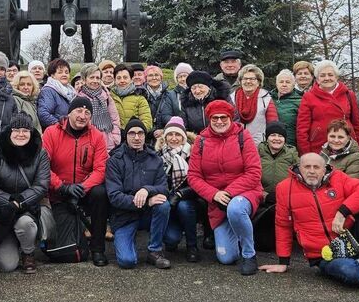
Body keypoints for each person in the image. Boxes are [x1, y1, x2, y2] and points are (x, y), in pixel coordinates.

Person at [262, 153, 359, 293]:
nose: (311, 171)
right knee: (352, 275)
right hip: (323, 253)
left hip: (350, 239)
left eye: (316, 167)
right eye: (307, 167)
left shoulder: (338, 177)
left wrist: (343, 212)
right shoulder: (284, 188)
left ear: (324, 169)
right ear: (299, 168)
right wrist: (283, 262)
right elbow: (283, 225)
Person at [187, 99, 263, 274]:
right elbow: (193, 176)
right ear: (209, 119)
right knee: (226, 258)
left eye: (223, 118)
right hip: (217, 201)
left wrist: (228, 192)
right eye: (215, 118)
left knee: (235, 208)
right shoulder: (201, 140)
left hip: (245, 193)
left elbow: (254, 172)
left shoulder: (243, 136)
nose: (219, 121)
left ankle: (249, 254)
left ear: (230, 118)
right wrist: (213, 194)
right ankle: (239, 230)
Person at [42, 95, 110, 266]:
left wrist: (81, 188)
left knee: (100, 193)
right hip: (58, 192)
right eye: (79, 111)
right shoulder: (51, 132)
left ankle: (98, 249)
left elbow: (100, 169)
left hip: (83, 190)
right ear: (69, 113)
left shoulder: (97, 136)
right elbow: (43, 166)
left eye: (87, 112)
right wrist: (63, 187)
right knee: (64, 249)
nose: (83, 116)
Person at [0, 114, 50, 274]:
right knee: (7, 265)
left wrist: (20, 201)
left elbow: (41, 186)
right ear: (9, 132)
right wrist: (10, 201)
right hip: (3, 212)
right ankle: (10, 243)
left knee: (25, 224)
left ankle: (28, 253)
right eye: (16, 130)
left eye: (26, 130)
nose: (21, 134)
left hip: (27, 210)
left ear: (31, 132)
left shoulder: (40, 154)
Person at [105, 119, 173, 269]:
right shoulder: (115, 161)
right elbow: (114, 196)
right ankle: (127, 239)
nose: (137, 137)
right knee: (127, 261)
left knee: (163, 204)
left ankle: (154, 251)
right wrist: (145, 201)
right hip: (124, 217)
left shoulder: (154, 159)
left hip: (147, 215)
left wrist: (147, 190)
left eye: (140, 133)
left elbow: (164, 188)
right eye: (132, 133)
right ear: (126, 136)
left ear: (145, 136)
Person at [296, 60, 359, 155]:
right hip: (319, 147)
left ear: (336, 77)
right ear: (317, 79)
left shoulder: (349, 94)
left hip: (347, 145)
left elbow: (357, 125)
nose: (327, 78)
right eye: (322, 75)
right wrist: (306, 153)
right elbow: (302, 129)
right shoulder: (309, 97)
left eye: (330, 75)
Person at [157, 116, 200, 261]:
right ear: (165, 137)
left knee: (184, 206)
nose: (174, 138)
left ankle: (192, 246)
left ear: (183, 137)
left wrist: (181, 193)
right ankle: (171, 238)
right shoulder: (159, 155)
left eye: (177, 135)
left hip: (189, 200)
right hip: (167, 201)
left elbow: (199, 182)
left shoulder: (193, 154)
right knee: (171, 240)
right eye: (170, 134)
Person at [254, 120, 298, 253]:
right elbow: (250, 175)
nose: (277, 139)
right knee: (264, 246)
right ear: (267, 138)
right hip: (261, 200)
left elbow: (298, 176)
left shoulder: (292, 154)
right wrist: (264, 195)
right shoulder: (257, 152)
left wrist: (284, 194)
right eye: (273, 135)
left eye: (280, 136)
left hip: (283, 200)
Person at [78, 63, 122, 151]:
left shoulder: (106, 96)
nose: (95, 80)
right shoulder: (79, 98)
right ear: (84, 79)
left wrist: (115, 138)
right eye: (91, 77)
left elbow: (114, 118)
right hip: (87, 142)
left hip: (108, 141)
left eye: (98, 78)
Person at [234, 64, 279, 145]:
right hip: (235, 144)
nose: (248, 81)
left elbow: (273, 124)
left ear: (258, 82)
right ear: (240, 81)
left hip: (259, 145)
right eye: (245, 78)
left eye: (252, 79)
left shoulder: (266, 98)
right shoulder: (232, 98)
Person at [180, 70, 231, 135]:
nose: (197, 91)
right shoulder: (186, 102)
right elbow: (184, 125)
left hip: (222, 137)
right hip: (197, 139)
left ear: (208, 87)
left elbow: (234, 119)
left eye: (200, 87)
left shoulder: (222, 97)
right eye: (193, 88)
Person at [110, 63, 153, 136]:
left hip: (135, 138)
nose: (122, 81)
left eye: (125, 77)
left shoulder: (139, 98)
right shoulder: (109, 97)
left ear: (131, 79)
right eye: (119, 78)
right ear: (114, 80)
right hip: (114, 138)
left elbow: (147, 121)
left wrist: (134, 133)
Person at [37, 57, 76, 129]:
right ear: (52, 75)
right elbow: (43, 114)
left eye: (66, 72)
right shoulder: (48, 91)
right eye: (60, 72)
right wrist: (61, 126)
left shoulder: (72, 92)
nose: (64, 74)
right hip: (57, 132)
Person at [143, 64, 180, 139]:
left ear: (161, 77)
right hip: (144, 136)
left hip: (166, 136)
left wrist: (164, 130)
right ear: (146, 78)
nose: (154, 78)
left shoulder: (171, 95)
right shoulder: (141, 95)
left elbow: (175, 117)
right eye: (150, 75)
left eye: (157, 75)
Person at [270, 69, 302, 147]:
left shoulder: (300, 101)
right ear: (276, 84)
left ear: (294, 84)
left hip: (290, 145)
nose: (284, 85)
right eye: (281, 82)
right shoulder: (268, 98)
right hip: (270, 144)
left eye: (288, 82)